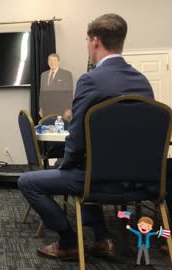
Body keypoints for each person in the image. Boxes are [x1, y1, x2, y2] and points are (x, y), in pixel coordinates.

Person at [18, 14, 154, 260]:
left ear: (95, 41)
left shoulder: (90, 81)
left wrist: (65, 164)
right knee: (87, 169)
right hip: (136, 180)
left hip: (96, 177)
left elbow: (77, 137)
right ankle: (103, 239)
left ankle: (69, 242)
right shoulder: (143, 82)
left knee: (29, 182)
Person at [39, 54, 73, 120]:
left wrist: (69, 109)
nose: (52, 62)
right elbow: (41, 93)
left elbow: (69, 93)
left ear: (58, 62)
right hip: (46, 110)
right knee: (47, 129)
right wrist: (41, 108)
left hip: (61, 110)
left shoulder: (66, 74)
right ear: (48, 62)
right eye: (50, 60)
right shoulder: (43, 75)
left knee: (61, 129)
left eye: (54, 60)